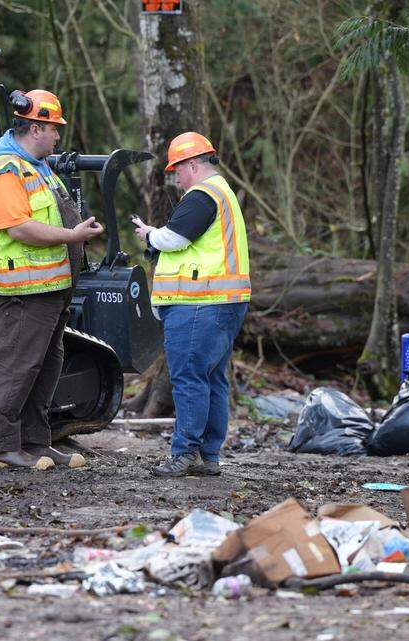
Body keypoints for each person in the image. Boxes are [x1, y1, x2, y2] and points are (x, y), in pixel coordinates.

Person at [0, 89, 103, 470]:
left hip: (49, 287)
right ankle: (3, 448)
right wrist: (72, 236)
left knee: (45, 365)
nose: (58, 136)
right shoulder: (7, 171)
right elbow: (19, 228)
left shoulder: (38, 168)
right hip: (22, 289)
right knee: (18, 366)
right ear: (34, 128)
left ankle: (35, 442)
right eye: (53, 128)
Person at [133, 132, 250, 477]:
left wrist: (149, 234)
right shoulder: (222, 193)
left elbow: (175, 239)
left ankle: (185, 453)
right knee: (211, 379)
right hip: (222, 302)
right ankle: (207, 456)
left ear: (194, 165)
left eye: (178, 170)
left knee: (188, 378)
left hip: (200, 303)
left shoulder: (202, 195)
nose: (177, 178)